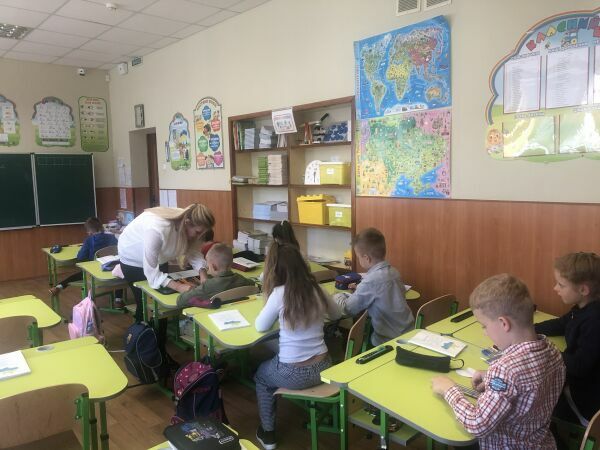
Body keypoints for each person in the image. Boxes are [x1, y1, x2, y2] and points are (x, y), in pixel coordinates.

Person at [431, 274, 565, 449]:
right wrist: (490, 376)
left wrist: (449, 390)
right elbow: (525, 383)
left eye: (484, 326)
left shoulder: (505, 371)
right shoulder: (553, 352)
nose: (485, 332)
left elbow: (477, 424)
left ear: (503, 323)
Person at [253, 242, 342, 450]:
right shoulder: (317, 289)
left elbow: (260, 326)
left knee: (260, 376)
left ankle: (268, 434)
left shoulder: (278, 294)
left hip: (291, 373)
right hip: (324, 367)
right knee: (277, 350)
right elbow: (337, 314)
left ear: (275, 270)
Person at [117, 204, 215, 325]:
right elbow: (152, 273)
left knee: (162, 304)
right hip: (132, 261)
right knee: (145, 304)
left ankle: (159, 335)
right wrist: (178, 286)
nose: (199, 236)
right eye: (197, 232)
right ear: (187, 223)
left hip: (158, 259)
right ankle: (141, 332)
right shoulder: (157, 229)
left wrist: (204, 277)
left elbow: (193, 252)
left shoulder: (188, 221)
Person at [535, 252, 600, 425]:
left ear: (583, 290)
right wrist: (528, 330)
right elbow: (562, 323)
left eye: (561, 285)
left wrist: (548, 351)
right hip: (578, 384)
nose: (555, 288)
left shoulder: (594, 321)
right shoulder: (582, 307)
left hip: (586, 404)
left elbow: (579, 366)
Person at [334, 227, 413, 346]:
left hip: (388, 341)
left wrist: (338, 296)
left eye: (358, 257)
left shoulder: (370, 281)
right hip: (409, 333)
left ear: (367, 258)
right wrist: (360, 289)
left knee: (356, 340)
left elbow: (348, 309)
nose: (359, 259)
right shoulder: (394, 272)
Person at [49, 217, 120, 300]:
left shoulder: (89, 240)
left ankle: (58, 287)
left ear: (90, 231)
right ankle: (118, 299)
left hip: (94, 272)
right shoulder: (112, 237)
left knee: (78, 275)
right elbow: (118, 251)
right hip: (111, 269)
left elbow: (80, 257)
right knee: (119, 275)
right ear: (101, 227)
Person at [176, 243, 255, 307]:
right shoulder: (241, 279)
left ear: (214, 267)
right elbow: (253, 285)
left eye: (208, 266)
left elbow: (180, 301)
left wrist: (190, 289)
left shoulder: (208, 286)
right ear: (231, 263)